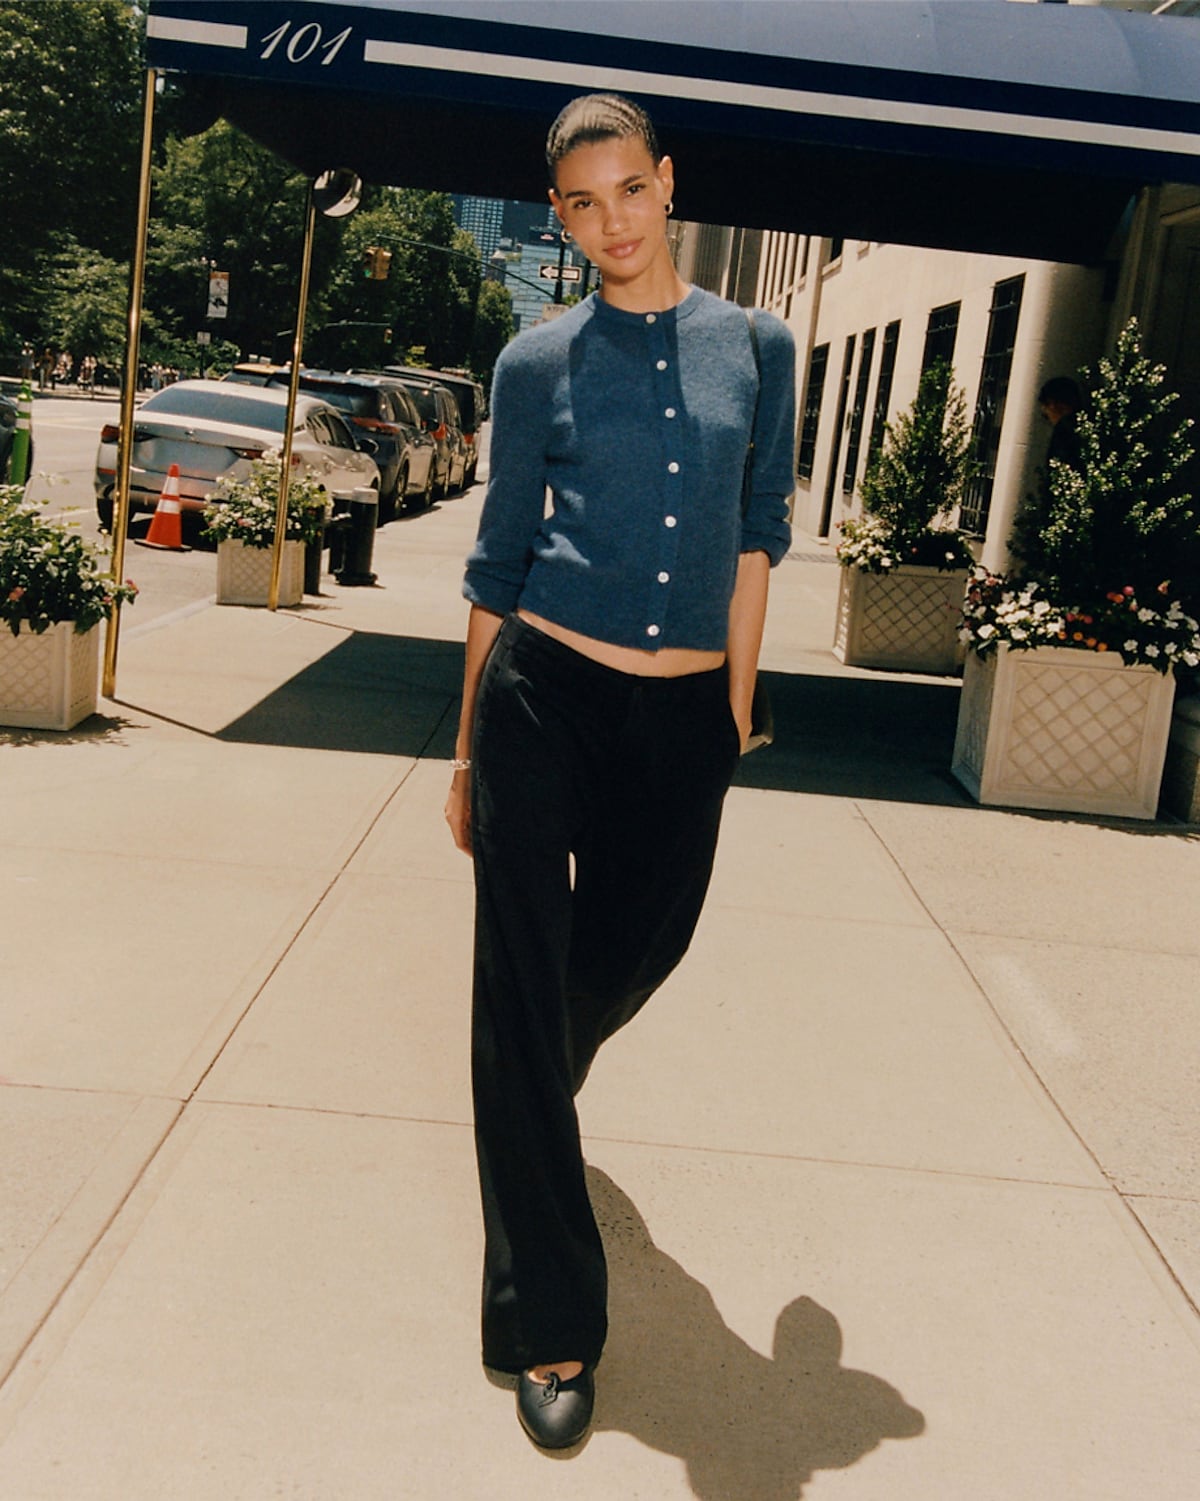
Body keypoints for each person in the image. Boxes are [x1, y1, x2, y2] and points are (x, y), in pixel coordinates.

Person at [444, 92, 796, 1451]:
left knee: (637, 948)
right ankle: (551, 1322)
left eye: (630, 193)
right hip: (545, 695)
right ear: (561, 216)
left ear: (667, 182)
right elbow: (493, 567)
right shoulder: (535, 360)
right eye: (583, 206)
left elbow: (759, 532)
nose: (612, 225)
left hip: (683, 715)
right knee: (519, 988)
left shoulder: (757, 346)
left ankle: (541, 1073)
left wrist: (738, 711)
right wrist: (473, 742)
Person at [1037, 375, 1083, 470]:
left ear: (1054, 404)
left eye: (1046, 406)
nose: (1045, 412)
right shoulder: (1085, 428)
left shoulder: (1063, 432)